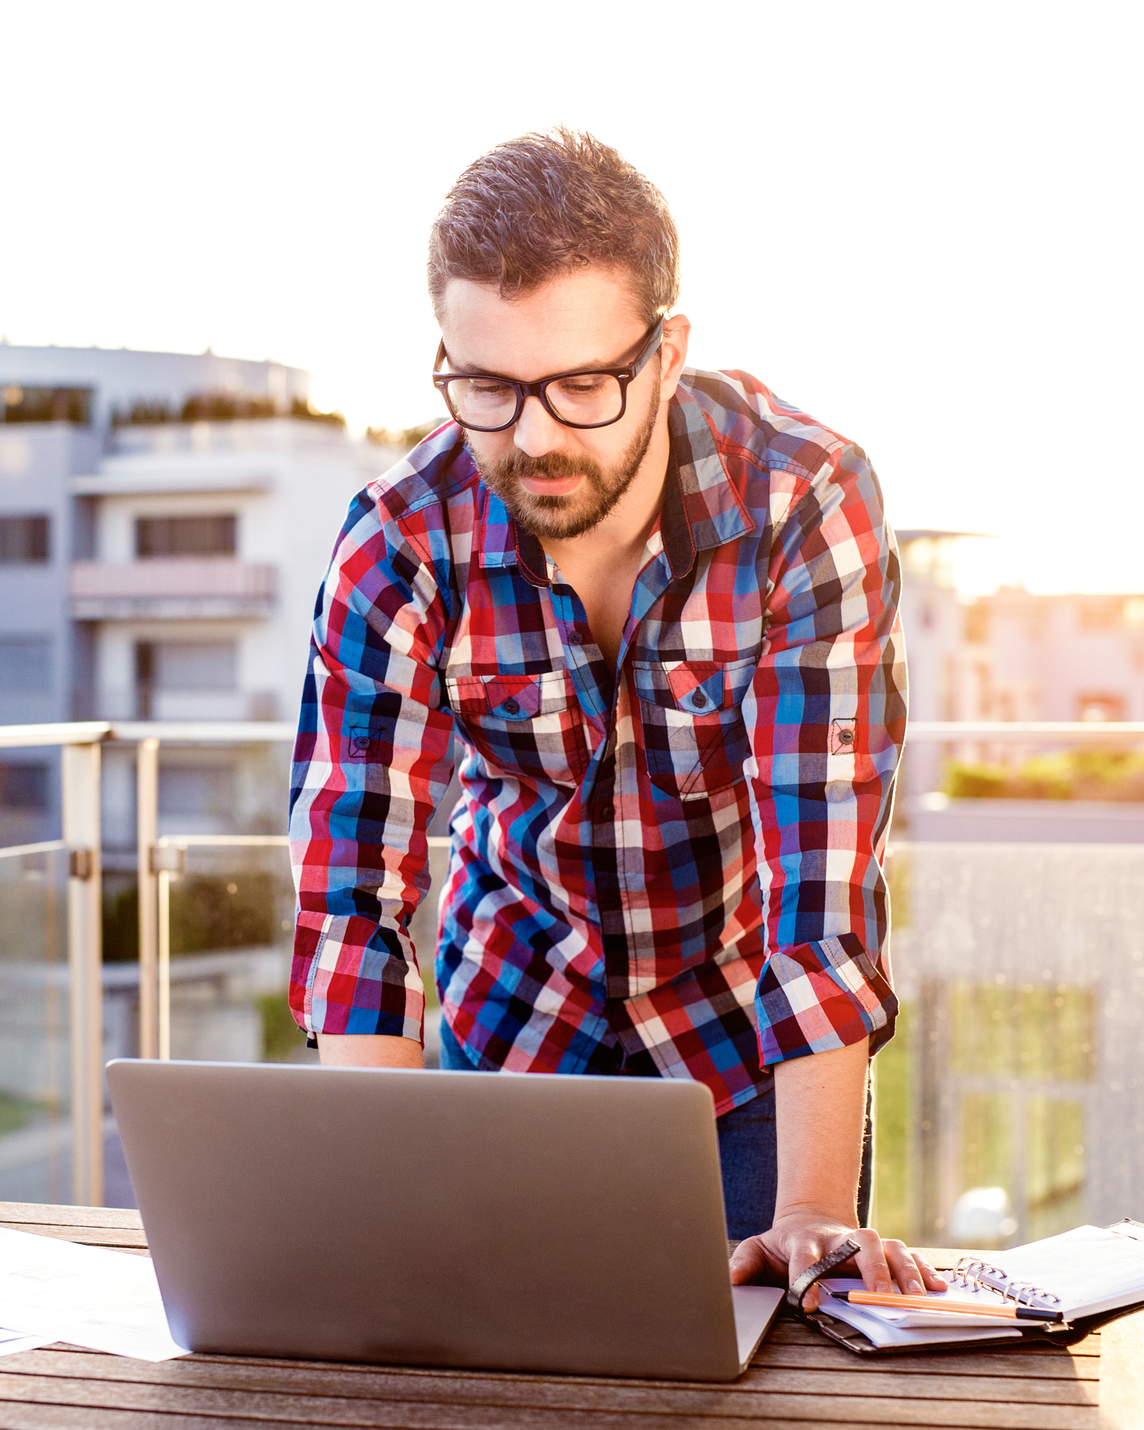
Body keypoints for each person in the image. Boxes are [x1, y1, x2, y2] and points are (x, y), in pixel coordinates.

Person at [286, 129, 942, 1309]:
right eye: (485, 385)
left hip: (751, 1049)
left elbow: (820, 884)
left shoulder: (803, 501)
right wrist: (369, 1195)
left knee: (766, 1369)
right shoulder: (396, 541)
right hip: (514, 1021)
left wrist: (810, 1211)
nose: (531, 435)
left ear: (666, 351)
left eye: (581, 384)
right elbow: (353, 901)